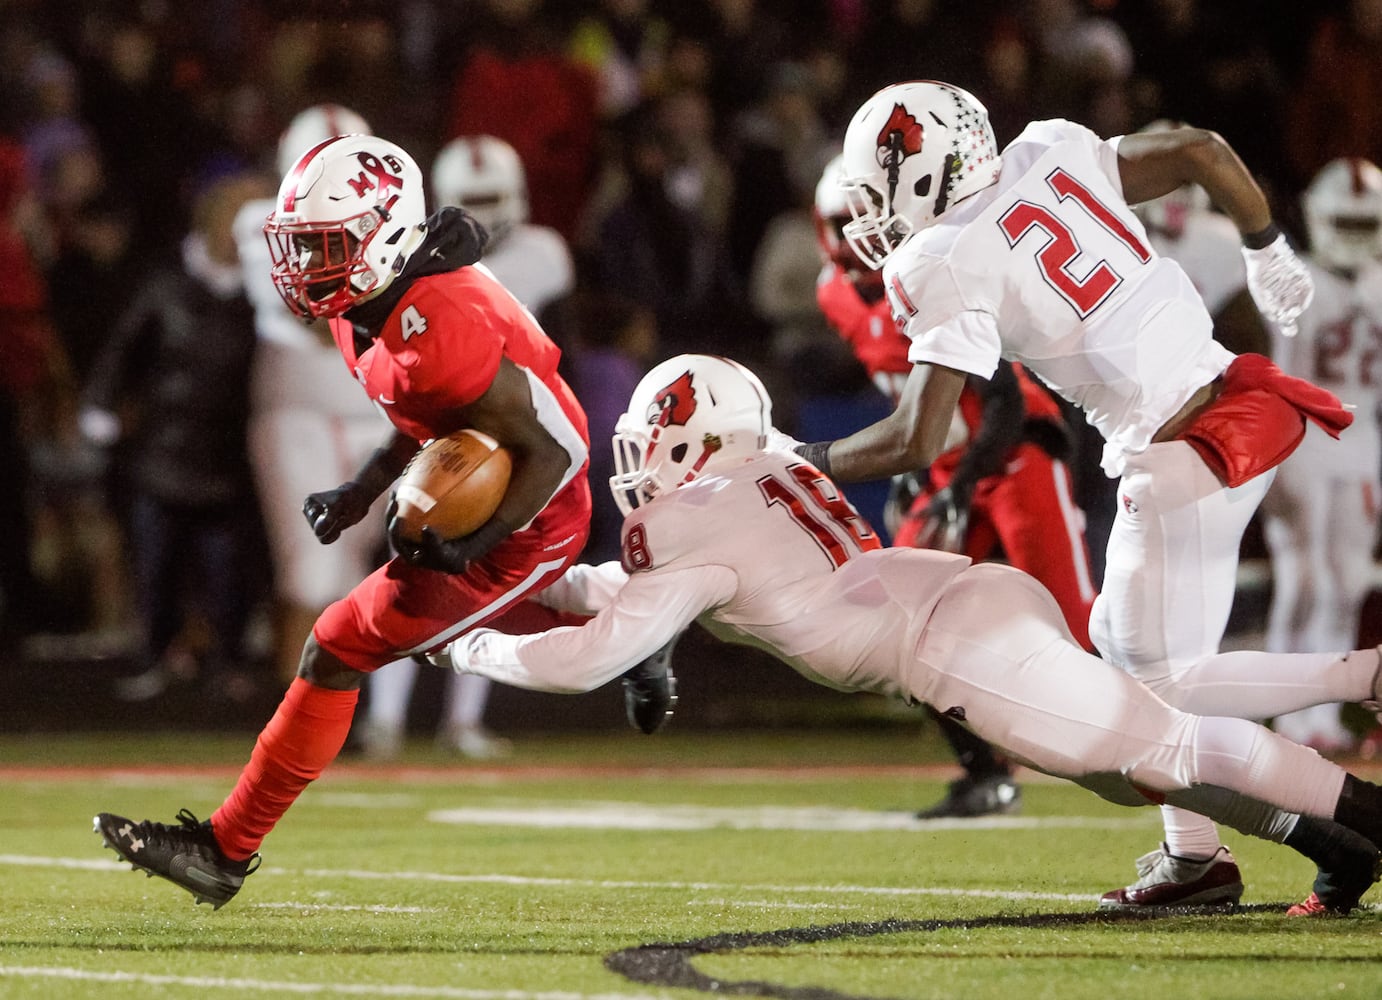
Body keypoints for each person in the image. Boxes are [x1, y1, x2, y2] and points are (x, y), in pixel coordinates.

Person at [431, 352, 1382, 916]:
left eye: (652, 439)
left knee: (1164, 743)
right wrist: (517, 588)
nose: (638, 459)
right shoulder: (753, 483)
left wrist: (460, 645)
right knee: (1128, 768)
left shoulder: (693, 521)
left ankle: (1370, 806)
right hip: (959, 609)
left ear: (696, 439)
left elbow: (600, 653)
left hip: (949, 641)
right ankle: (1334, 847)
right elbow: (615, 594)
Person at [791, 80, 1365, 914]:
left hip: (1177, 453)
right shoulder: (1049, 147)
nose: (872, 216)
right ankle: (1196, 859)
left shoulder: (937, 257)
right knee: (1121, 648)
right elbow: (1200, 146)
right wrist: (1266, 244)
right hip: (1234, 399)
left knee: (1150, 691)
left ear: (925, 173)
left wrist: (802, 459)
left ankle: (1363, 688)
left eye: (881, 192)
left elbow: (918, 438)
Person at [94, 134, 597, 909]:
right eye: (299, 246)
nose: (301, 266)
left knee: (346, 646)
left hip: (534, 515)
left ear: (386, 236)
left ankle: (223, 853)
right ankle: (222, 851)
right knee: (339, 646)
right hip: (487, 471)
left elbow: (561, 449)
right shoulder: (362, 302)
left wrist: (475, 545)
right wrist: (361, 491)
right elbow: (425, 413)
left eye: (323, 245)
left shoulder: (444, 320)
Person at [813, 153, 1099, 819]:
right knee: (897, 628)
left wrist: (959, 486)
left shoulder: (926, 268)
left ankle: (1159, 746)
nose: (861, 230)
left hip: (1013, 452)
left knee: (1075, 629)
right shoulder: (834, 295)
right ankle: (986, 772)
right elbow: (913, 398)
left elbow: (1002, 399)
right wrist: (924, 476)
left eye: (868, 215)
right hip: (943, 466)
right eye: (845, 219)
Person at [364, 134, 576, 760]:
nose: (482, 212)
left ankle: (460, 721)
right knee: (405, 561)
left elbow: (562, 350)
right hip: (438, 420)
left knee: (483, 574)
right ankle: (386, 719)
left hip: (512, 428)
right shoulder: (410, 254)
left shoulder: (543, 253)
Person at [232, 104, 408, 693]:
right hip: (300, 407)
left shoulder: (403, 224)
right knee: (308, 577)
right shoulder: (263, 222)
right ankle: (292, 717)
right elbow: (309, 310)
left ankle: (359, 724)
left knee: (365, 576)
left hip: (381, 412)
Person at [80, 171, 271, 705]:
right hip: (164, 449)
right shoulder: (167, 281)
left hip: (232, 452)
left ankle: (228, 660)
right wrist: (99, 405)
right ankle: (152, 656)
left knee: (229, 570)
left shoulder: (267, 294)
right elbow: (124, 348)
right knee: (156, 564)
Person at [1261, 157, 1382, 756]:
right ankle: (1289, 718)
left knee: (1346, 586)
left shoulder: (1379, 282)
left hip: (1361, 443)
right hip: (1305, 437)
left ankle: (1325, 718)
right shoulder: (1294, 278)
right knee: (1302, 581)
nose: (1356, 236)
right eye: (1346, 222)